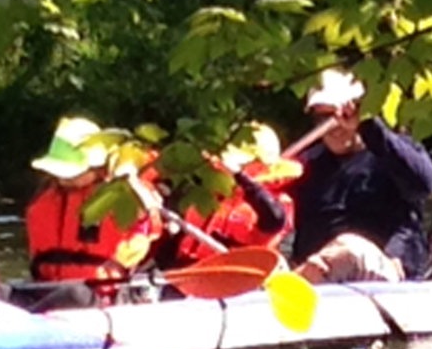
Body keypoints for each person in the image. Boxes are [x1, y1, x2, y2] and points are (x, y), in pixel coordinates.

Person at [288, 70, 432, 283]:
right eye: (323, 117)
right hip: (316, 278)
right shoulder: (303, 165)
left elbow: (424, 184)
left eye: (340, 116)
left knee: (350, 247)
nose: (334, 127)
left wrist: (366, 125)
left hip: (384, 274)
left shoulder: (391, 152)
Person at [25, 116, 164, 282]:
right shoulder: (46, 198)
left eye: (72, 173)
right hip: (45, 287)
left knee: (74, 294)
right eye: (58, 173)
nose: (63, 179)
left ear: (97, 167)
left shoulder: (124, 194)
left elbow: (148, 223)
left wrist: (130, 177)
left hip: (99, 290)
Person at [166, 123, 302, 266]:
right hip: (186, 271)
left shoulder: (278, 202)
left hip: (233, 279)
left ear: (262, 165)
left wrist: (240, 176)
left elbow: (274, 217)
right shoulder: (211, 190)